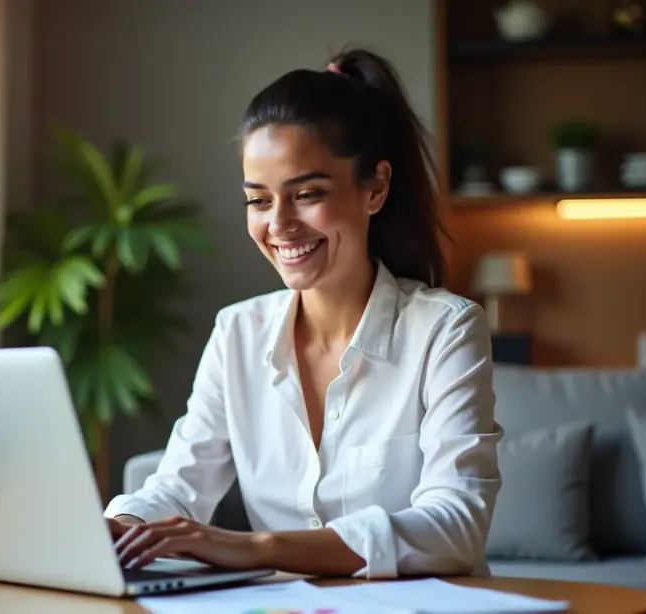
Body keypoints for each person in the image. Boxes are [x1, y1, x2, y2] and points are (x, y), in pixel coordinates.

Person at [103, 47, 503, 579]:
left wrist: (260, 547)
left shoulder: (445, 329)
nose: (280, 225)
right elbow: (180, 486)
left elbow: (456, 525)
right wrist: (113, 528)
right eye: (259, 201)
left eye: (307, 194)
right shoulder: (238, 333)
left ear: (375, 188)